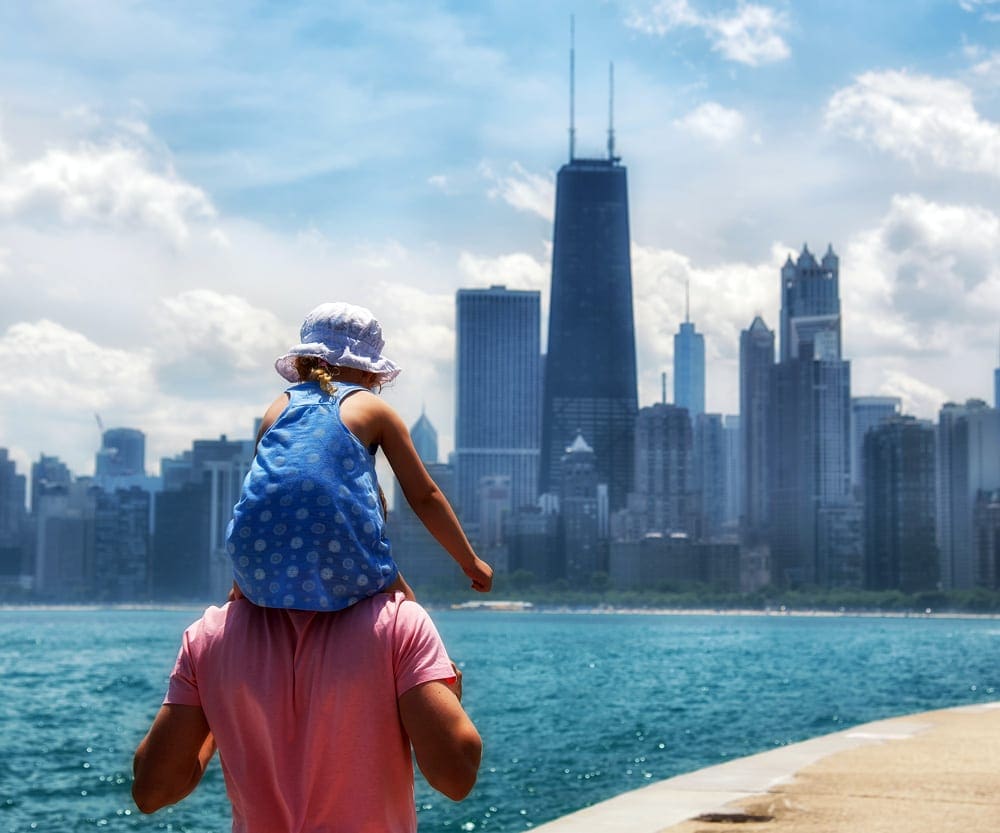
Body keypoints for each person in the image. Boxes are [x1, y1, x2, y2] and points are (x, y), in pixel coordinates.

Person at [132, 591, 482, 831]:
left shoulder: (208, 635)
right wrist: (447, 694)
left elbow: (153, 791)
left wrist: (218, 706)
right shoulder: (397, 622)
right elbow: (456, 775)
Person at [225, 301, 492, 611]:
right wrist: (470, 561)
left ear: (302, 361)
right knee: (406, 612)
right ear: (370, 371)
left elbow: (260, 492)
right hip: (345, 558)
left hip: (254, 560)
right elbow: (424, 496)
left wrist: (241, 581)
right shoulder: (373, 407)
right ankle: (444, 663)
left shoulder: (278, 406)